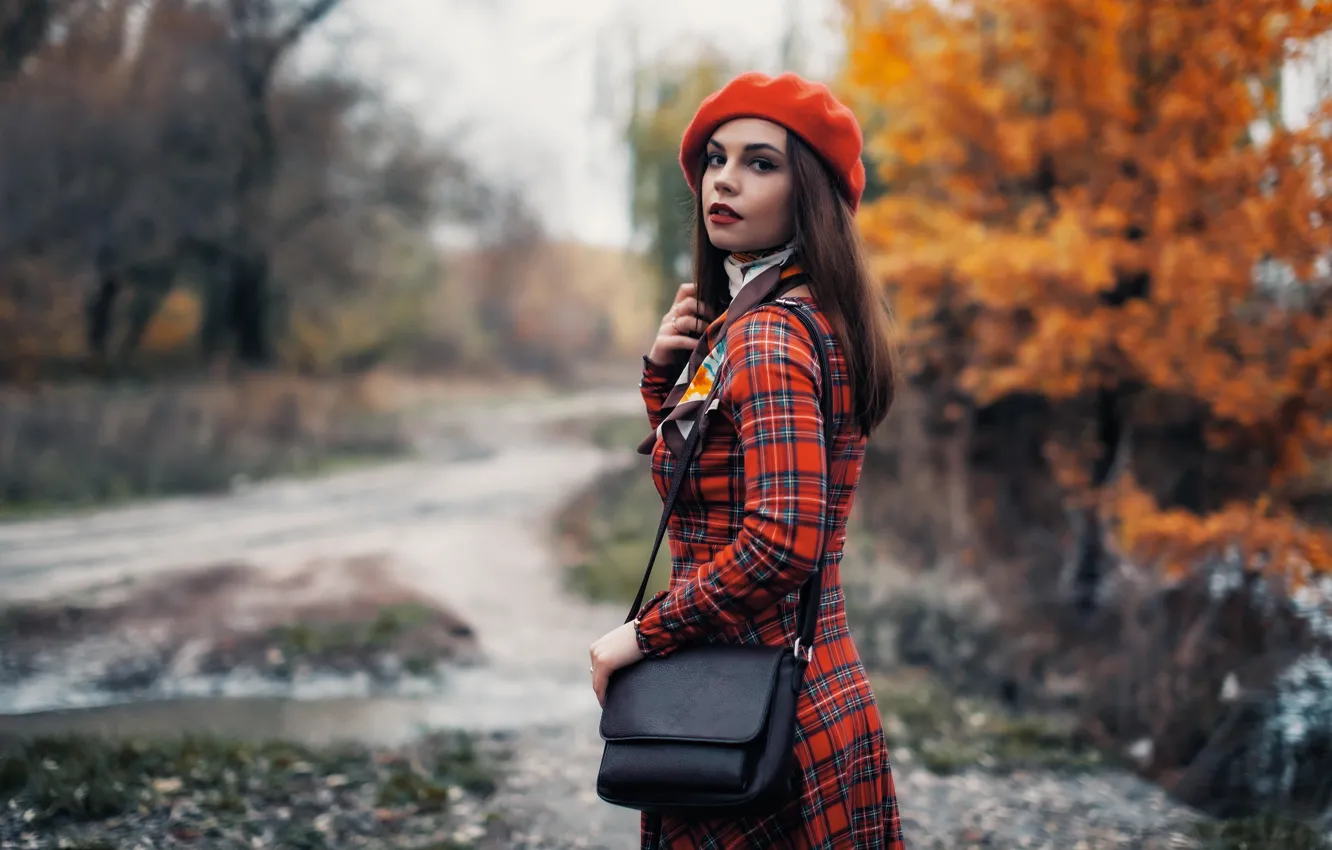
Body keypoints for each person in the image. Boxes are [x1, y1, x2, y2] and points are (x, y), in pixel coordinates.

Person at [588, 70, 906, 849]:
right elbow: (712, 487)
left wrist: (642, 635)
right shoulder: (796, 317)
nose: (724, 181)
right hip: (802, 687)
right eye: (718, 160)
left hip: (744, 704)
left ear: (811, 194)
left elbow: (780, 541)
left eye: (761, 163)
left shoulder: (765, 336)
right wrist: (666, 376)